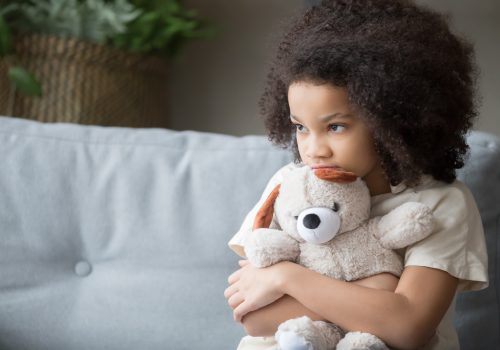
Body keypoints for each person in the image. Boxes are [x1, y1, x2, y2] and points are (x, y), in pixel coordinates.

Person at [223, 0, 488, 349]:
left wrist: (286, 277)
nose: (314, 149)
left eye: (335, 126)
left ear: (393, 120)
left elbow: (408, 327)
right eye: (301, 127)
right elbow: (254, 318)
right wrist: (378, 298)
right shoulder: (289, 185)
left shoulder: (440, 203)